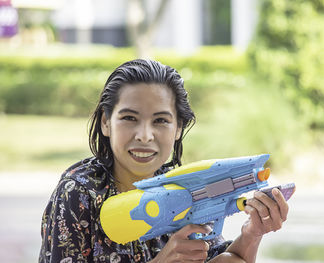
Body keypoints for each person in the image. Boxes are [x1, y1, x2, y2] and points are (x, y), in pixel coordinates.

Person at [39, 59, 290, 263]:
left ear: (178, 127)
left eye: (160, 121)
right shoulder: (79, 193)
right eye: (129, 118)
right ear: (106, 122)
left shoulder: (185, 186)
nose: (145, 136)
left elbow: (228, 259)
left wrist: (252, 233)